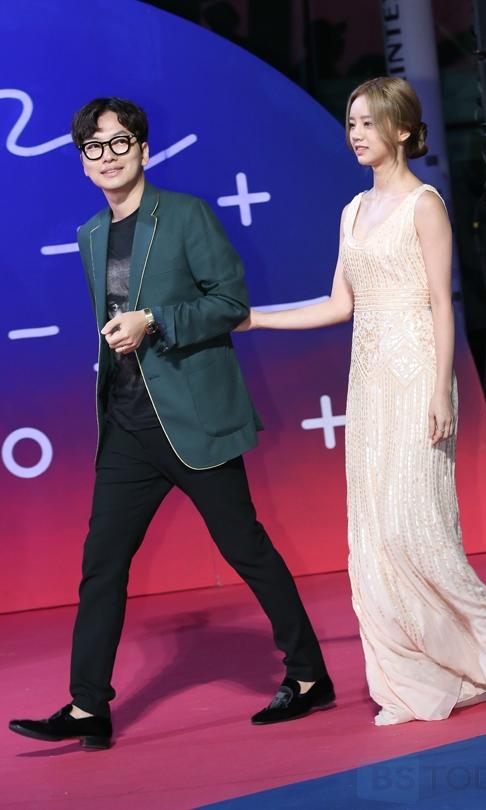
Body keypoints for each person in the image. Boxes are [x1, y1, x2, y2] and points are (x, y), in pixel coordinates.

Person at [8, 98, 334, 750]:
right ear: (82, 163)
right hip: (126, 426)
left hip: (192, 419)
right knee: (101, 565)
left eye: (119, 142)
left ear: (143, 149)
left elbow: (230, 302)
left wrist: (154, 321)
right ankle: (88, 707)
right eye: (94, 147)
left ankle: (308, 675)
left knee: (245, 548)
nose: (108, 156)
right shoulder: (90, 235)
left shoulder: (185, 216)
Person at [238, 77, 486, 725]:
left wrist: (440, 391)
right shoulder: (352, 211)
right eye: (351, 122)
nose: (356, 134)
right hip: (370, 383)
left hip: (418, 375)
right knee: (374, 536)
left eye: (368, 122)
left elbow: (440, 304)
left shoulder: (424, 205)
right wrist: (257, 318)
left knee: (417, 532)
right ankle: (411, 679)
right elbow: (338, 305)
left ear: (401, 130)